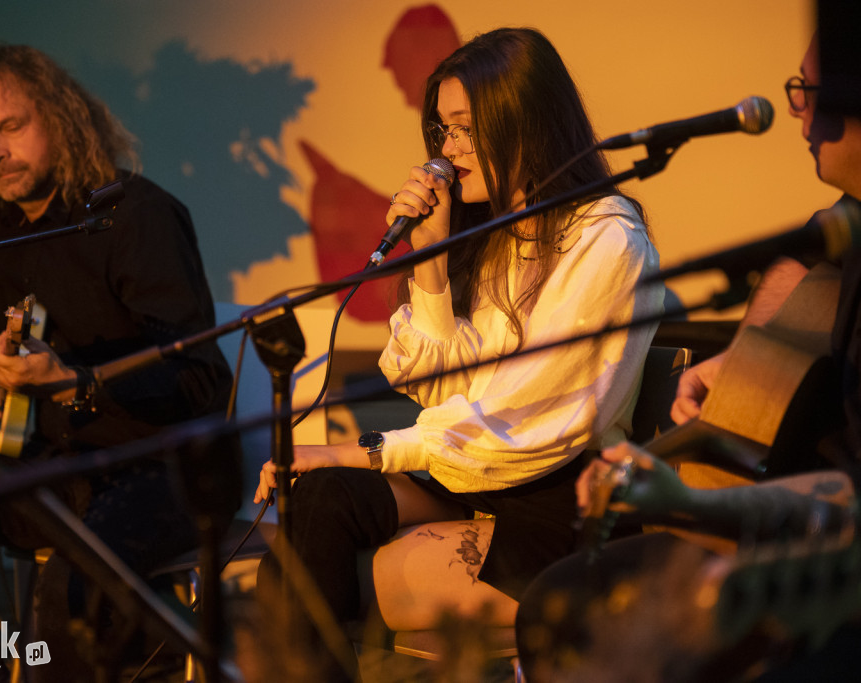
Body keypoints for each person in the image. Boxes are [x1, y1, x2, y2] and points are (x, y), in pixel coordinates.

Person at [253, 27, 664, 680]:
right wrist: (432, 260)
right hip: (481, 473)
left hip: (556, 493)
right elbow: (450, 394)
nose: (449, 152)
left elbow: (517, 421)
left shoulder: (607, 237)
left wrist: (356, 448)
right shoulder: (500, 235)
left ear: (524, 120)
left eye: (465, 128)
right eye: (442, 131)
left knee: (329, 481)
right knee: (321, 499)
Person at [515, 18, 861, 682]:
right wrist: (739, 367)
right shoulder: (841, 227)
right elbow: (802, 280)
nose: (797, 109)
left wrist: (691, 502)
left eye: (808, 88)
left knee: (570, 609)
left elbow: (852, 496)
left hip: (822, 552)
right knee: (555, 599)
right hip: (769, 503)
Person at [0, 44, 240, 680]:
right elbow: (6, 328)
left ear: (61, 115)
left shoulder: (137, 217)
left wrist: (75, 384)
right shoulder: (3, 226)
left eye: (11, 126)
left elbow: (200, 384)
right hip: (58, 470)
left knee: (69, 588)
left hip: (161, 474)